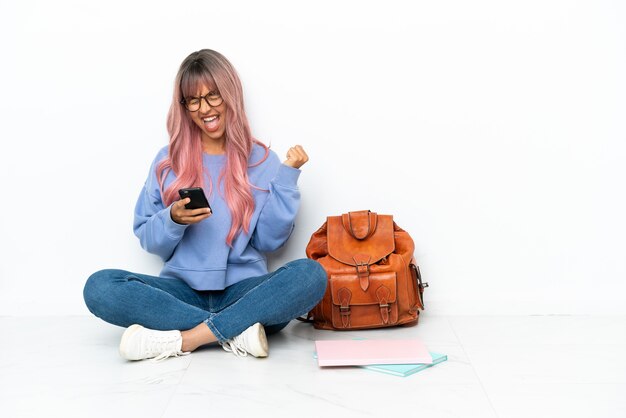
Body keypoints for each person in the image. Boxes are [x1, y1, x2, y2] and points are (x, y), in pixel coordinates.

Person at [83, 49, 327, 362]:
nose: (205, 108)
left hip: (244, 291)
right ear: (183, 106)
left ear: (230, 96)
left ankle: (187, 340)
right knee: (100, 287)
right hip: (182, 293)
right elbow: (148, 239)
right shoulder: (167, 161)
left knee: (310, 275)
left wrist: (287, 179)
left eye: (213, 96)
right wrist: (173, 218)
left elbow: (270, 242)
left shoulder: (264, 161)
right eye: (193, 100)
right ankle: (236, 331)